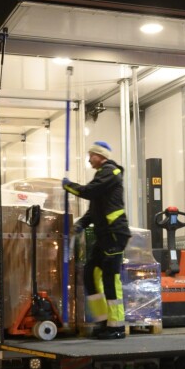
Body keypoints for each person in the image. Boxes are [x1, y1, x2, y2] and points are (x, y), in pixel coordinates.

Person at [63, 141, 131, 339]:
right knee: (90, 275)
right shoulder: (102, 176)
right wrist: (81, 224)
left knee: (111, 279)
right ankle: (103, 321)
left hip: (114, 234)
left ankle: (116, 327)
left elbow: (89, 192)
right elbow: (95, 210)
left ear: (101, 156)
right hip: (104, 236)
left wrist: (69, 186)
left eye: (91, 155)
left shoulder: (111, 172)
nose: (89, 158)